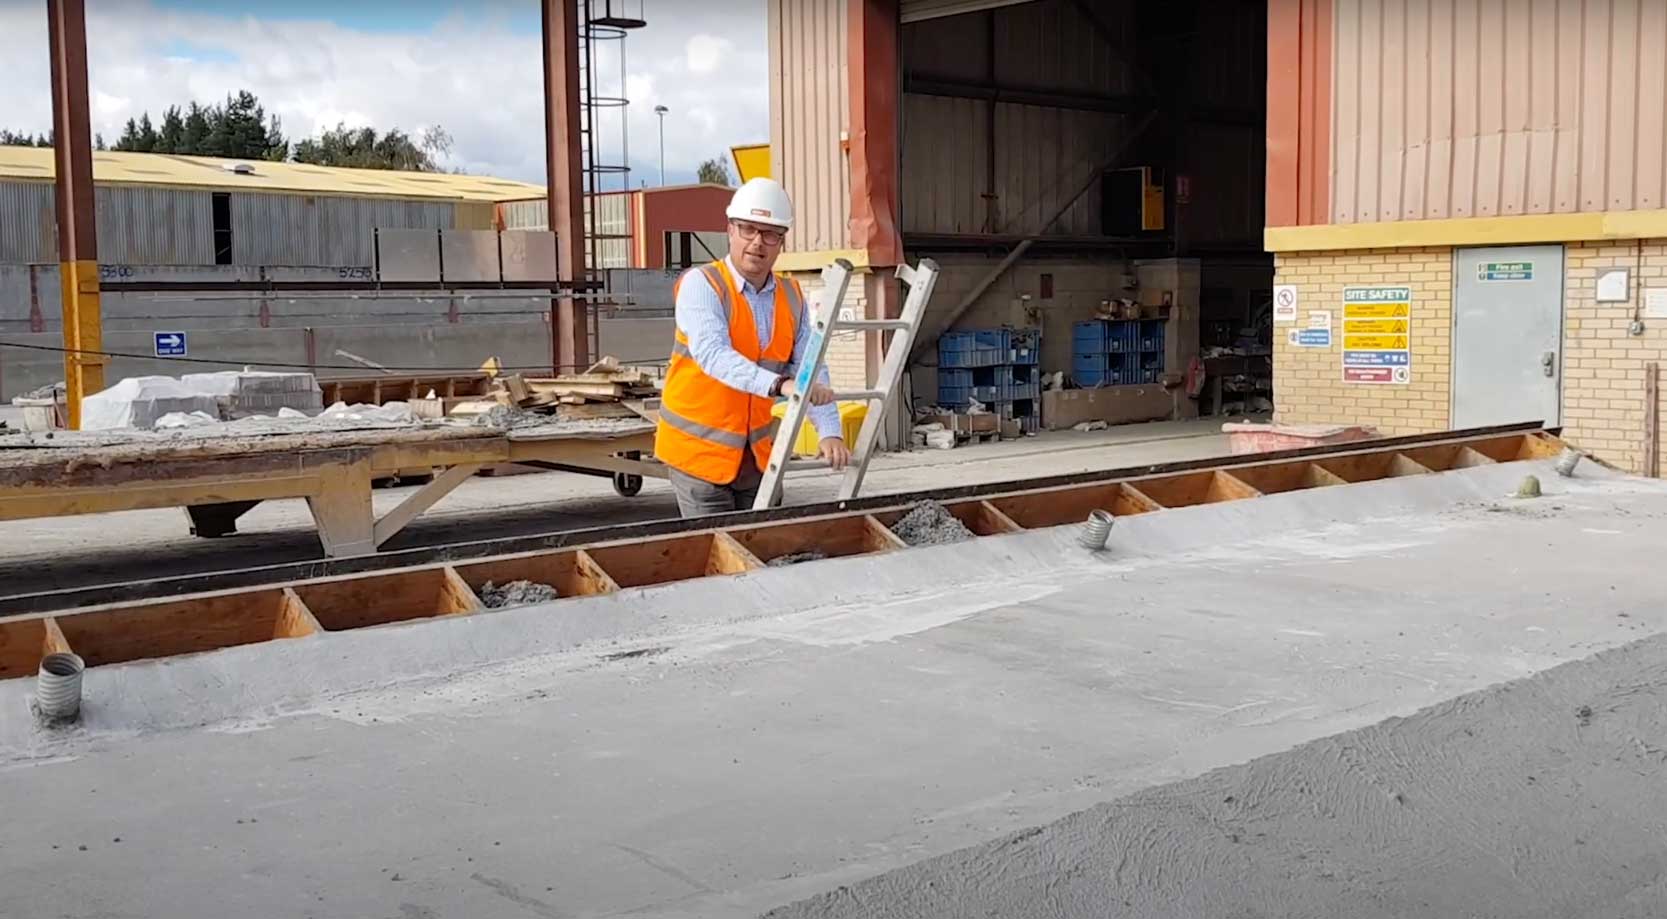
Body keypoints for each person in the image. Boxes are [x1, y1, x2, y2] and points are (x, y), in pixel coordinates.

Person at [655, 178, 851, 517]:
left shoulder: (792, 297)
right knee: (718, 557)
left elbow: (810, 365)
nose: (757, 243)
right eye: (748, 229)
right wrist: (779, 385)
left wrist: (829, 430)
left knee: (766, 552)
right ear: (730, 230)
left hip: (757, 458)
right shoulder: (701, 285)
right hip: (698, 457)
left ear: (781, 242)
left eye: (770, 234)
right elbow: (713, 355)